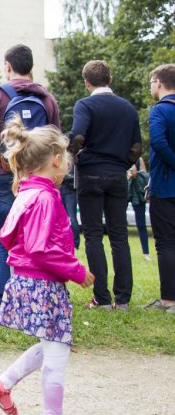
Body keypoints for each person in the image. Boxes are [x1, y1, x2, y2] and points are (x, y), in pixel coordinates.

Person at [0, 117, 96, 415]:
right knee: (57, 348)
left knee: (53, 343)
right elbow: (40, 247)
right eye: (66, 164)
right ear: (56, 160)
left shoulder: (27, 193)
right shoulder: (45, 198)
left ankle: (3, 385)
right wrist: (77, 270)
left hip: (28, 280)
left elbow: (12, 239)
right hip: (42, 282)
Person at [0, 44, 61, 312]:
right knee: (35, 237)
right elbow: (56, 142)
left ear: (8, 66)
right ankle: (32, 301)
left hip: (5, 175)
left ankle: (1, 298)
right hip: (38, 181)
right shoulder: (48, 99)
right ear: (31, 67)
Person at [69, 60, 141, 311]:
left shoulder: (85, 105)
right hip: (116, 174)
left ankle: (101, 298)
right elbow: (136, 148)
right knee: (119, 236)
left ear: (87, 81)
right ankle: (123, 299)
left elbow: (78, 136)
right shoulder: (128, 108)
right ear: (110, 79)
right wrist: (123, 164)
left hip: (91, 173)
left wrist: (73, 155)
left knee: (93, 236)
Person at [146, 64, 175, 313]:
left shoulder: (160, 111)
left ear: (159, 82)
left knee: (165, 243)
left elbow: (158, 141)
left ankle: (168, 299)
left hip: (166, 186)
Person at [127, 157, 151, 261]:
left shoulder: (138, 159)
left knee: (141, 225)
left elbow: (142, 174)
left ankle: (146, 252)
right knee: (118, 225)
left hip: (136, 194)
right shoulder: (119, 153)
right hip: (121, 192)